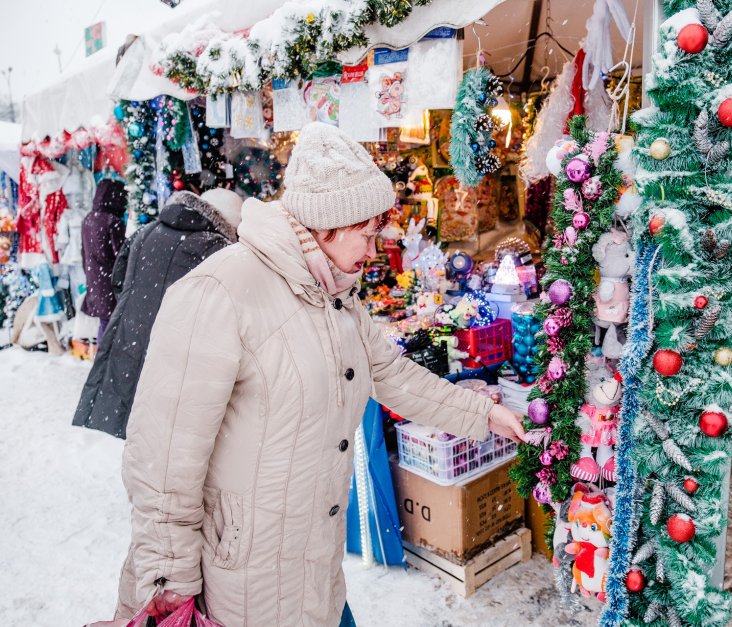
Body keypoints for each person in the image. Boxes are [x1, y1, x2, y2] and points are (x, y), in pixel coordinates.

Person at [108, 123, 525, 627]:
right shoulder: (221, 291)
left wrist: (485, 413)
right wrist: (166, 583)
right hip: (240, 588)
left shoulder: (335, 295)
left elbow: (393, 374)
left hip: (314, 573)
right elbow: (162, 457)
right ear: (329, 225)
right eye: (368, 234)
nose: (373, 253)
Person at [72, 188, 244, 439]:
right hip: (172, 357)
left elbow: (118, 280)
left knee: (132, 423)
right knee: (158, 439)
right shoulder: (218, 249)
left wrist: (140, 309)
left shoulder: (147, 231)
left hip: (128, 340)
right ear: (230, 221)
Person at [81, 179, 127, 345]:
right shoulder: (112, 221)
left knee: (105, 323)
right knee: (112, 325)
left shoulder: (88, 219)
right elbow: (121, 255)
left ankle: (102, 361)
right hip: (110, 282)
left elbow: (83, 253)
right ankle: (106, 363)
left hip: (95, 279)